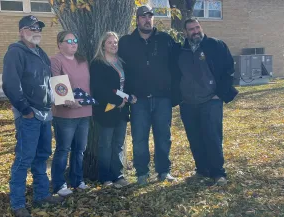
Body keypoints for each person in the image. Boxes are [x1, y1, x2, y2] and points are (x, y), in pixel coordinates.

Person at [2, 15, 63, 217]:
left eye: (39, 28)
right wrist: (25, 110)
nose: (36, 31)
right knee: (24, 159)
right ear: (21, 31)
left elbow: (48, 82)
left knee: (42, 156)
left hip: (45, 114)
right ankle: (18, 204)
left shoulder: (41, 53)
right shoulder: (15, 53)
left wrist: (56, 99)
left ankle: (41, 195)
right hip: (29, 115)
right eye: (31, 27)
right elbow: (11, 84)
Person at [118, 5, 179, 185]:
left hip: (162, 99)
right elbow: (119, 70)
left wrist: (173, 94)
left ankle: (163, 171)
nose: (147, 19)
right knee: (139, 138)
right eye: (143, 16)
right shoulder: (126, 42)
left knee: (163, 137)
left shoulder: (165, 40)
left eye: (150, 16)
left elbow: (177, 67)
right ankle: (142, 173)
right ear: (137, 19)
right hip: (139, 100)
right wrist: (127, 94)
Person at [174, 18, 238, 186]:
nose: (195, 31)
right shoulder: (180, 50)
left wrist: (221, 94)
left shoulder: (216, 45)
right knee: (195, 138)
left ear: (201, 27)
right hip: (187, 103)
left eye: (197, 27)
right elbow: (174, 74)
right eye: (191, 29)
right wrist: (179, 96)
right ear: (185, 33)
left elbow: (229, 69)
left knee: (212, 137)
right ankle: (202, 170)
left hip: (211, 101)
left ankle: (218, 173)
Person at [90, 32, 137, 188]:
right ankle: (105, 178)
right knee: (105, 144)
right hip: (106, 110)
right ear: (103, 45)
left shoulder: (122, 62)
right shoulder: (97, 63)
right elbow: (98, 88)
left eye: (115, 42)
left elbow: (126, 85)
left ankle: (118, 175)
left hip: (122, 111)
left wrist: (130, 96)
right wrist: (117, 101)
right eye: (109, 42)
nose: (113, 45)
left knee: (118, 144)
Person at [50, 31, 92, 197]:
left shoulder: (82, 61)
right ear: (60, 44)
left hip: (84, 111)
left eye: (75, 40)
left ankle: (77, 180)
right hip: (65, 114)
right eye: (69, 41)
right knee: (63, 149)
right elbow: (57, 85)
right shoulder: (55, 60)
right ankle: (59, 184)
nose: (74, 43)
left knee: (79, 149)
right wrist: (69, 101)